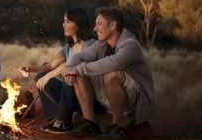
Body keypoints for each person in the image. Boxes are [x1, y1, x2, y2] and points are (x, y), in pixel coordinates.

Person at [64, 7, 156, 137]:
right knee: (78, 73)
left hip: (136, 101)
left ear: (113, 25)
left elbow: (111, 64)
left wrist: (77, 69)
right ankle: (90, 123)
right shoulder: (102, 44)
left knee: (111, 74)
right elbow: (80, 56)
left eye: (99, 24)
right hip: (110, 93)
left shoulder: (131, 45)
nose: (95, 29)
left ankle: (119, 125)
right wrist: (70, 68)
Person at [20, 8, 96, 134]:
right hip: (73, 94)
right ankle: (55, 117)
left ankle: (63, 122)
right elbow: (51, 65)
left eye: (68, 21)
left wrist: (49, 76)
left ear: (78, 24)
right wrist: (31, 68)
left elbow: (72, 65)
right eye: (64, 21)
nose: (63, 24)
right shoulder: (68, 47)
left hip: (89, 96)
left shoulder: (90, 44)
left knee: (69, 75)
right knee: (41, 76)